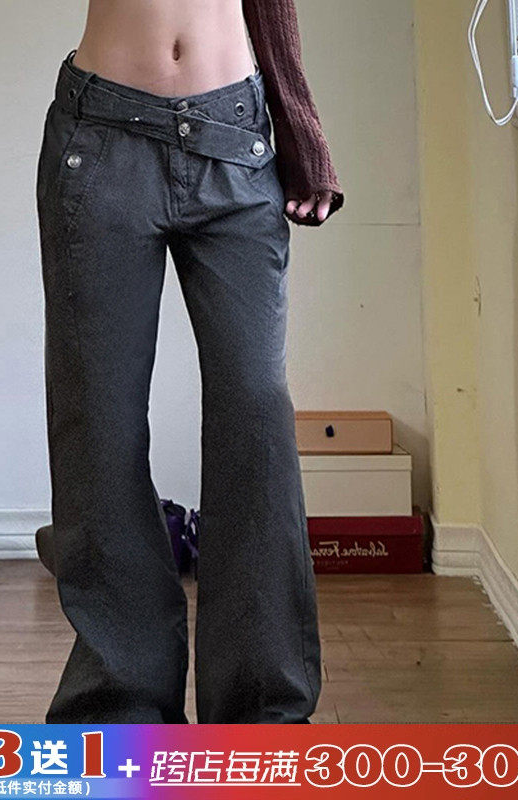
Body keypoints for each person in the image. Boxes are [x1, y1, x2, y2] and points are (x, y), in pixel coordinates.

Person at [35, 0, 342, 724]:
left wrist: (303, 131)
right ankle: (121, 705)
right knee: (98, 421)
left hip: (235, 139)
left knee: (255, 417)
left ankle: (262, 711)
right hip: (100, 140)